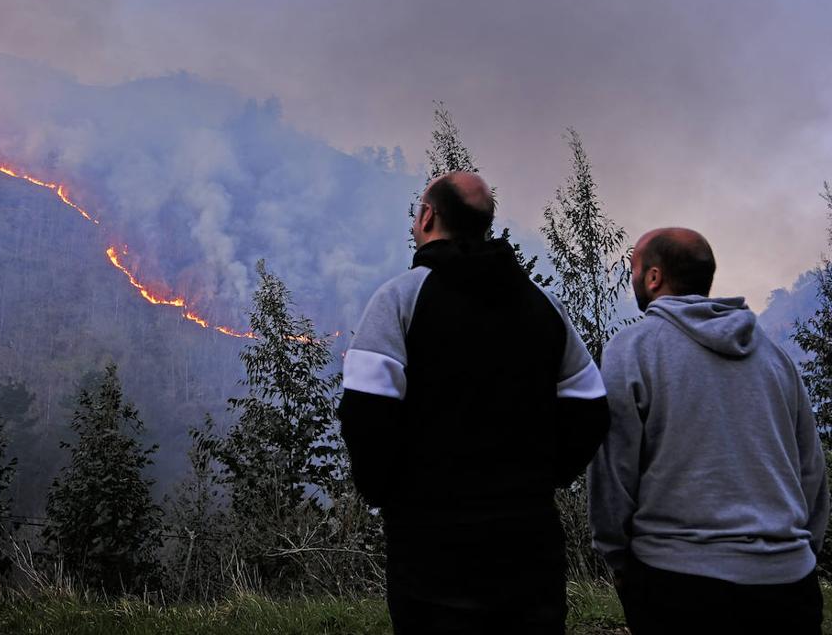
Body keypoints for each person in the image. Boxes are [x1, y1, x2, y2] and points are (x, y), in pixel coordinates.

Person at [339, 171, 609, 635]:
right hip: (529, 545)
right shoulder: (542, 305)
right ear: (486, 225)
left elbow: (366, 415)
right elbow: (591, 405)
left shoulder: (399, 301)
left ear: (426, 217)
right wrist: (547, 474)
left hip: (431, 548)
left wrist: (390, 494)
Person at [589, 227, 828, 635]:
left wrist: (618, 560)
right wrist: (799, 551)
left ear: (653, 278)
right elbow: (812, 471)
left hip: (678, 586)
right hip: (789, 585)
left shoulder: (631, 350)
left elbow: (614, 472)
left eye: (634, 269)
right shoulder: (774, 357)